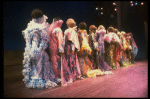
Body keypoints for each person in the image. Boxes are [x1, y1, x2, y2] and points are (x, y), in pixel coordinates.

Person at [22, 9, 60, 89]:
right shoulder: (37, 29)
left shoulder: (31, 27)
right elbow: (34, 41)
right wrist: (36, 50)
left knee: (38, 65)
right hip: (36, 51)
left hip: (33, 50)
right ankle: (37, 79)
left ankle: (39, 77)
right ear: (40, 17)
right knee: (37, 65)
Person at [48, 17, 73, 86]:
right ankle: (60, 77)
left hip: (52, 48)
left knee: (54, 62)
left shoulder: (52, 30)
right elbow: (60, 40)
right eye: (61, 23)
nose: (61, 25)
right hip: (57, 48)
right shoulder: (58, 30)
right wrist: (61, 49)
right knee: (60, 62)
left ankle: (54, 77)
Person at [64, 18, 83, 82]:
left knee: (70, 61)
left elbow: (71, 41)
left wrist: (72, 49)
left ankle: (71, 74)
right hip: (71, 48)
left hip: (69, 48)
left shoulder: (68, 31)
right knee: (72, 61)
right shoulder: (73, 31)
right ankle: (74, 73)